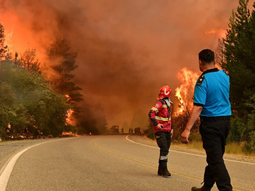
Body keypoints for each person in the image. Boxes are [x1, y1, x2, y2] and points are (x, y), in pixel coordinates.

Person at [181, 49, 232, 191]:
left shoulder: (202, 81)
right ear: (214, 61)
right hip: (225, 123)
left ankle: (226, 188)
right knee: (214, 157)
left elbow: (198, 107)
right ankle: (206, 188)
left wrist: (187, 129)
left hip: (211, 125)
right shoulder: (224, 76)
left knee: (216, 160)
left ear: (200, 62)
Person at [148, 85, 173, 177]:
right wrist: (157, 124)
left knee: (165, 150)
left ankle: (160, 170)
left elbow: (169, 118)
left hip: (167, 130)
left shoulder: (167, 104)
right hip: (161, 131)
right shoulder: (160, 103)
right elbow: (151, 113)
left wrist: (172, 128)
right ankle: (164, 170)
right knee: (164, 149)